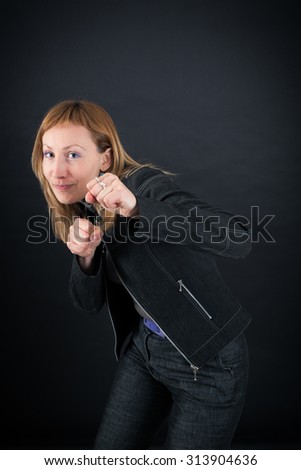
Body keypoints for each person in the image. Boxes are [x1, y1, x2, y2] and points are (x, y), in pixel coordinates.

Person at [32, 99, 252, 450]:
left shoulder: (146, 186)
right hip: (144, 350)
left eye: (72, 154)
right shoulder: (83, 208)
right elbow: (88, 304)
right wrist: (85, 258)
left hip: (207, 358)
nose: (57, 171)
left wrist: (136, 207)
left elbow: (238, 238)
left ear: (104, 158)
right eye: (49, 154)